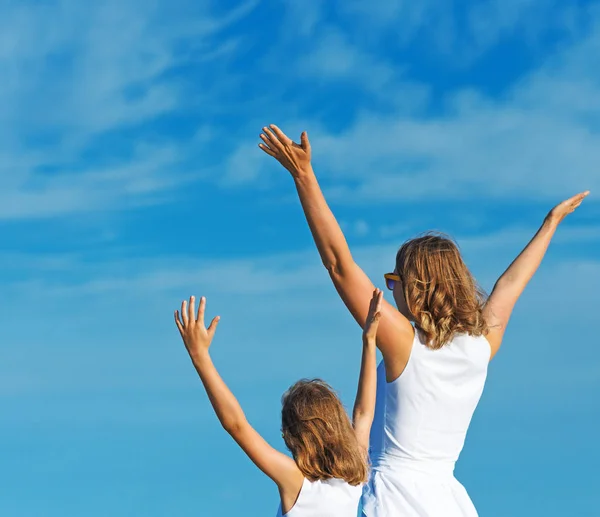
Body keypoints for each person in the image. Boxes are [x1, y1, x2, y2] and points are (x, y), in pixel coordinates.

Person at [258, 124, 589, 517]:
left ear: (415, 289)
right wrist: (550, 224)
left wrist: (304, 177)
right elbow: (510, 286)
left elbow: (338, 265)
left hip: (395, 501)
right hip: (450, 503)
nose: (390, 289)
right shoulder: (480, 347)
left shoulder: (404, 344)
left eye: (394, 280)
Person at [174, 290, 384, 516]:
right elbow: (364, 414)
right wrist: (369, 341)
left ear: (296, 437)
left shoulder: (296, 481)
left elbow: (237, 426)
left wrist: (200, 357)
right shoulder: (353, 481)